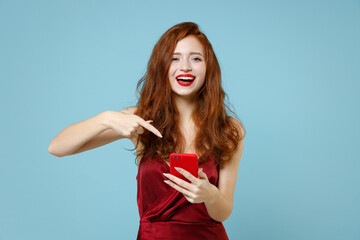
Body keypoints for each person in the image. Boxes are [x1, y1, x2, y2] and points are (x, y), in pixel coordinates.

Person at [48, 21, 245, 240]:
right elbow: (57, 147)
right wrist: (105, 118)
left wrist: (210, 195)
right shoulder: (141, 120)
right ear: (161, 66)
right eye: (174, 58)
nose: (185, 66)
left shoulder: (229, 129)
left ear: (209, 67)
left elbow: (223, 211)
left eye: (196, 58)